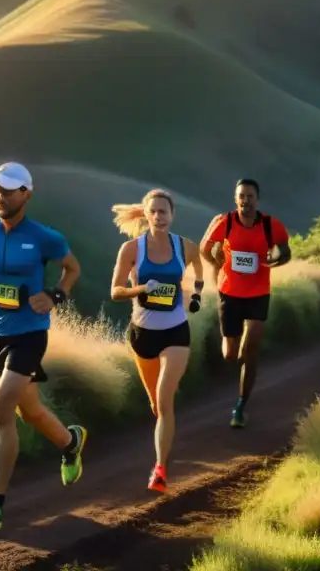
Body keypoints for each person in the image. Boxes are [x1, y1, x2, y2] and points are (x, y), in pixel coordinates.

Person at [0, 161, 87, 531]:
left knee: (1, 409)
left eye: (9, 190)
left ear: (26, 194)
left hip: (30, 334)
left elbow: (72, 268)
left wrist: (56, 295)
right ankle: (70, 442)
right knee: (29, 411)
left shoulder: (44, 237)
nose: (0, 195)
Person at [110, 188, 204, 493]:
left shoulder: (184, 247)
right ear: (147, 215)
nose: (159, 216)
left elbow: (200, 265)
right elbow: (115, 291)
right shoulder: (130, 250)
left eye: (164, 212)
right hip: (142, 334)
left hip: (176, 331)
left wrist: (197, 295)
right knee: (155, 405)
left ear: (172, 215)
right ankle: (164, 438)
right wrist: (141, 290)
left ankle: (160, 469)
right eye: (154, 212)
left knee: (165, 401)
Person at [199, 178, 291, 429]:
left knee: (250, 351)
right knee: (231, 354)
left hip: (259, 294)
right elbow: (204, 248)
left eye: (250, 196)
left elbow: (286, 250)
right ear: (235, 199)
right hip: (229, 292)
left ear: (256, 199)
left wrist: (277, 260)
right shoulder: (224, 222)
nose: (245, 200)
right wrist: (216, 262)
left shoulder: (272, 226)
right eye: (241, 196)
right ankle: (230, 363)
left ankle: (240, 405)